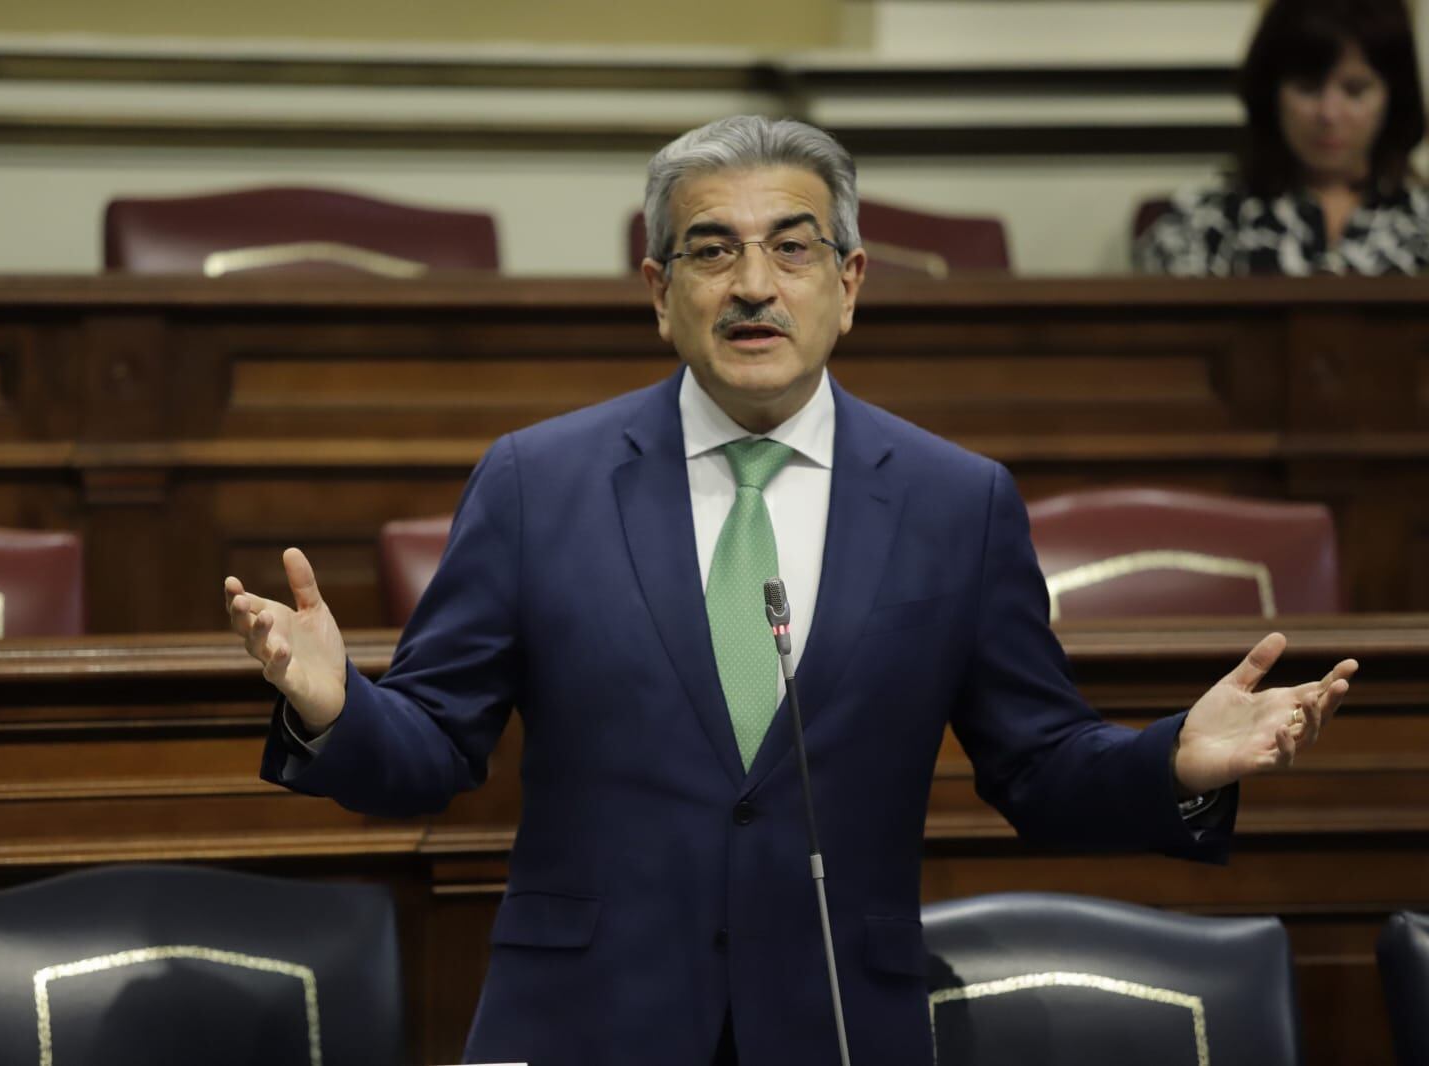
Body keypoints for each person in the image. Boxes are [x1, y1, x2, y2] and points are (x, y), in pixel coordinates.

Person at [227, 115, 1358, 1065]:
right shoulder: (539, 482)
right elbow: (432, 747)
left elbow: (1039, 768)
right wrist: (335, 704)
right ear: (658, 292)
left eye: (792, 249)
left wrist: (1173, 761)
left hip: (835, 1022)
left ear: (850, 282)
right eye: (711, 251)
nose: (753, 286)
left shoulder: (953, 502)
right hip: (583, 1022)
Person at [1135, 0, 1429, 275]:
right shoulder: (1196, 226)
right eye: (1307, 87)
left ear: (1394, 96)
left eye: (1354, 90)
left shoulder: (1422, 223)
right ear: (1270, 93)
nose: (1329, 114)